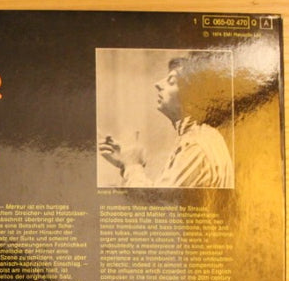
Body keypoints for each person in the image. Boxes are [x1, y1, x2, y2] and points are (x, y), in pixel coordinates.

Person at [99, 54, 233, 188]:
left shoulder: (196, 146)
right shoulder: (200, 138)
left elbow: (154, 201)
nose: (157, 84)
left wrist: (132, 164)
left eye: (171, 81)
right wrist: (126, 162)